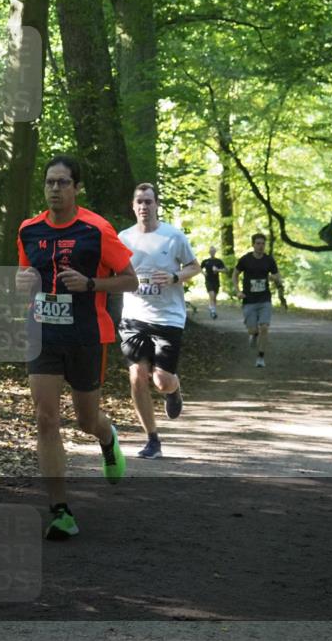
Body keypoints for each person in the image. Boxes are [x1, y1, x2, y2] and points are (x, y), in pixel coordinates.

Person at [16, 155, 137, 541]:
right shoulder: (29, 230)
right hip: (43, 335)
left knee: (87, 420)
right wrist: (24, 285)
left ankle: (107, 438)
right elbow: (26, 276)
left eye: (63, 182)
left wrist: (90, 284)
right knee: (46, 418)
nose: (55, 189)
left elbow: (130, 281)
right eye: (50, 182)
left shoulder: (96, 229)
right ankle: (60, 510)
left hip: (87, 335)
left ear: (77, 187)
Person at [118, 183, 201, 460]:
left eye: (148, 202)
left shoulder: (173, 237)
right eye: (139, 202)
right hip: (134, 317)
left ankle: (174, 390)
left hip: (168, 317)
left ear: (156, 205)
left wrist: (175, 277)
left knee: (161, 381)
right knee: (136, 376)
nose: (144, 207)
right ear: (133, 206)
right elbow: (113, 268)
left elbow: (195, 266)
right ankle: (152, 439)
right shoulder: (123, 238)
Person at [233, 233, 282, 368]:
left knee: (264, 327)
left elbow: (277, 275)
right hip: (249, 300)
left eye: (263, 244)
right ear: (253, 244)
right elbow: (235, 274)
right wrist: (238, 291)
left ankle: (260, 357)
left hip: (264, 299)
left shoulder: (269, 260)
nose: (260, 246)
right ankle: (253, 335)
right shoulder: (245, 259)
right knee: (253, 330)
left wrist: (275, 278)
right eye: (258, 243)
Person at [200, 246, 227, 319]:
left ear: (215, 252)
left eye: (213, 251)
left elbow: (225, 270)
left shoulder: (218, 261)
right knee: (211, 294)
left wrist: (217, 270)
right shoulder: (205, 261)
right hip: (208, 280)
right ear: (209, 252)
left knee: (214, 296)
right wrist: (203, 273)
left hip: (216, 281)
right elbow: (199, 269)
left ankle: (212, 308)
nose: (212, 252)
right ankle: (213, 311)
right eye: (211, 251)